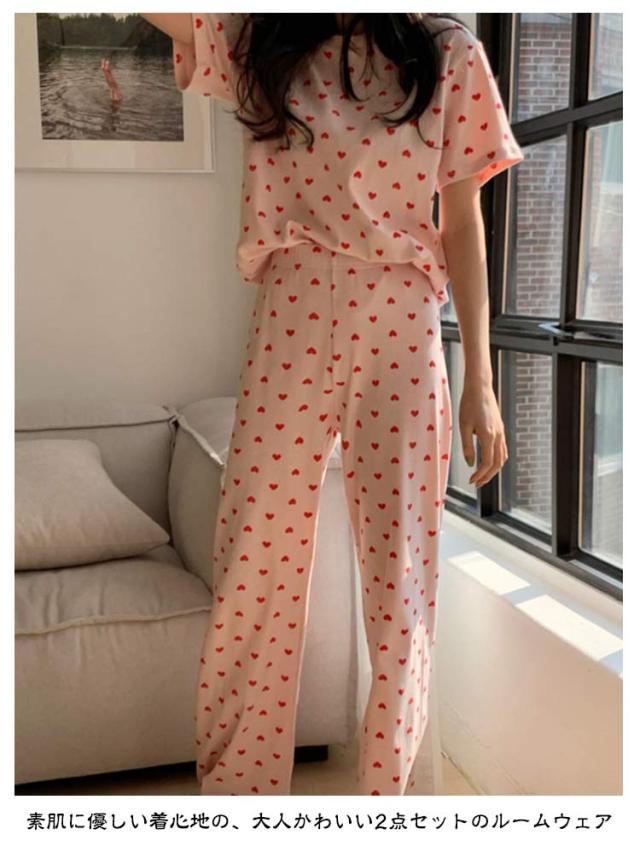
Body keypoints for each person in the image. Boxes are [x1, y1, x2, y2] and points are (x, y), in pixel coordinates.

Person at [141, 11, 525, 797]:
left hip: (402, 315)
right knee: (255, 562)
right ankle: (241, 798)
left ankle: (385, 802)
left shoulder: (447, 53)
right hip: (293, 303)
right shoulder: (264, 38)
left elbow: (463, 224)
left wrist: (481, 381)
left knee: (401, 577)